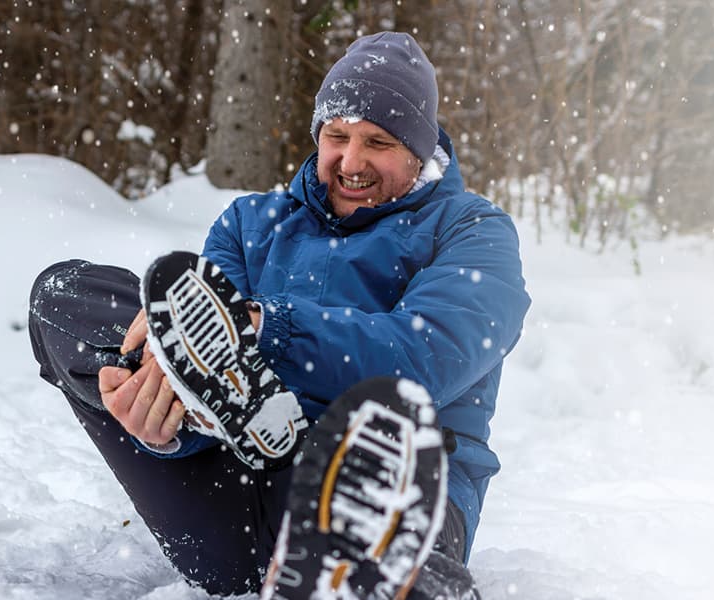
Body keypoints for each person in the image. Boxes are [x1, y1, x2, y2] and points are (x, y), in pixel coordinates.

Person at [28, 31, 530, 599]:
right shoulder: (250, 223)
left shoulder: (472, 231)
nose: (351, 161)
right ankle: (217, 410)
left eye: (379, 142)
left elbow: (425, 356)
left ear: (419, 150)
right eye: (336, 136)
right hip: (234, 500)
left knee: (382, 419)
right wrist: (165, 421)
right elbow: (205, 358)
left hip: (382, 489)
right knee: (65, 296)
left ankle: (379, 572)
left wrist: (264, 327)